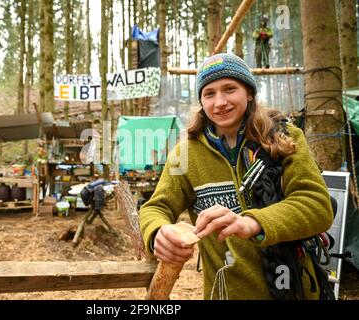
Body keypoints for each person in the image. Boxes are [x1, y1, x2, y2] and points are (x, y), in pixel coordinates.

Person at [139, 53, 334, 300]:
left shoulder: (286, 139)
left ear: (249, 92)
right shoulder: (185, 154)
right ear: (201, 100)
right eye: (209, 93)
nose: (220, 102)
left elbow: (317, 206)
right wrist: (158, 232)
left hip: (296, 289)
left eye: (229, 89)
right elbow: (155, 207)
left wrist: (251, 222)